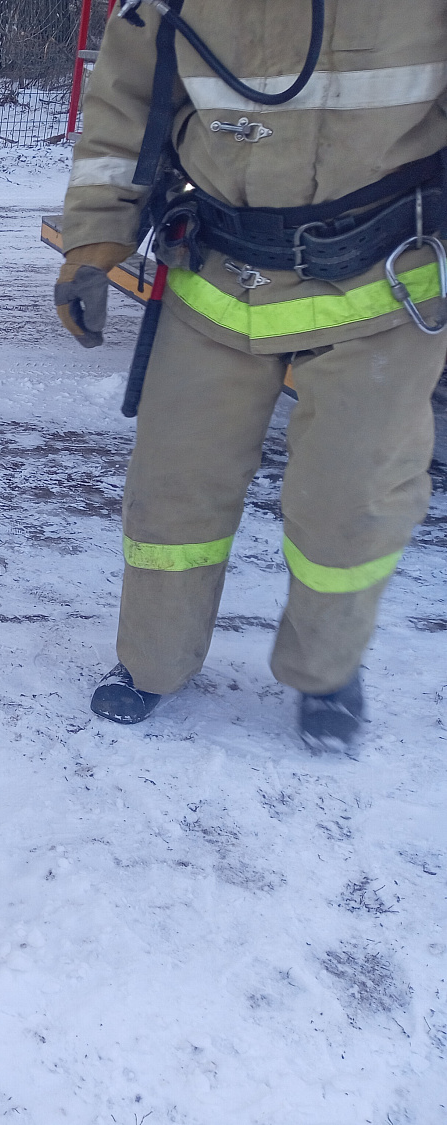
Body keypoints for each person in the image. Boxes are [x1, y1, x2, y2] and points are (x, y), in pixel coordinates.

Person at [55, 0, 447, 752]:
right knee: (174, 490)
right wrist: (96, 238)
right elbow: (126, 103)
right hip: (217, 277)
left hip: (383, 286)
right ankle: (153, 662)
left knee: (351, 500)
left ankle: (326, 671)